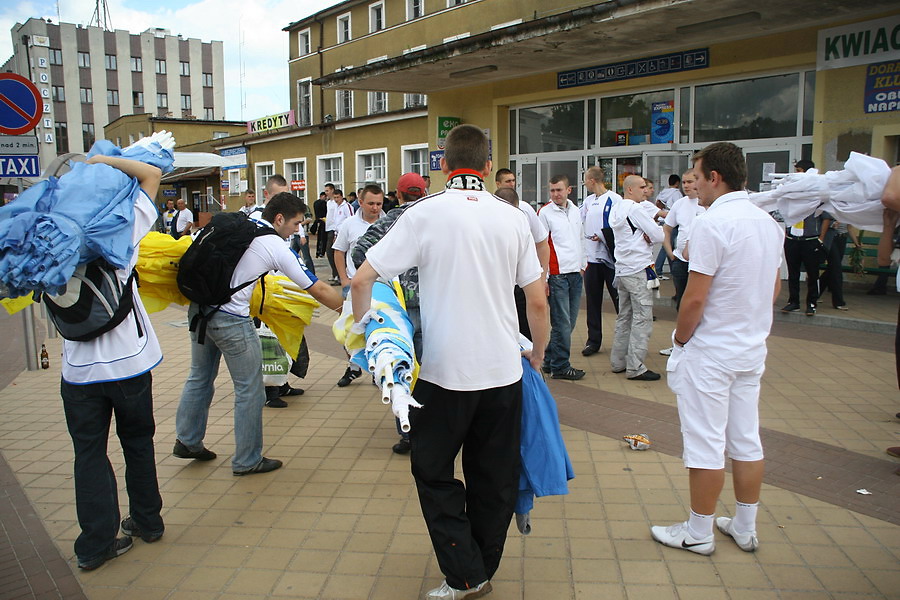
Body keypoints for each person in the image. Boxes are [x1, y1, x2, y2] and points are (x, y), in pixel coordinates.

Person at [350, 124, 549, 599]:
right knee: (494, 477)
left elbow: (361, 281)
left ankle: (465, 572)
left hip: (441, 374)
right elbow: (537, 302)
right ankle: (480, 566)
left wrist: (368, 339)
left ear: (442, 165)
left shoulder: (424, 213)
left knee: (433, 471)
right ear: (486, 167)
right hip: (503, 371)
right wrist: (538, 356)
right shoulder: (513, 218)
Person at [650, 142, 783, 555]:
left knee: (705, 442)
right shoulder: (767, 223)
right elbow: (774, 289)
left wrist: (680, 341)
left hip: (711, 351)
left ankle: (699, 531)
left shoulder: (713, 223)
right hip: (749, 348)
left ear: (715, 178)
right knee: (746, 438)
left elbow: (693, 298)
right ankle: (744, 526)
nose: (693, 187)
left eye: (697, 176)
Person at [174, 193, 344, 475]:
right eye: (296, 223)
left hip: (200, 311)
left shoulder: (244, 222)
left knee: (199, 377)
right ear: (279, 219)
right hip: (232, 321)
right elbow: (317, 288)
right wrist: (350, 312)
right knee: (250, 389)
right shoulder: (273, 244)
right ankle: (247, 459)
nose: (297, 229)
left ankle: (188, 440)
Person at [61, 155, 165, 570]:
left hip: (77, 371)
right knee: (137, 444)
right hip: (129, 365)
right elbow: (151, 174)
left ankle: (95, 544)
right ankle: (147, 521)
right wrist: (97, 160)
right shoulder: (121, 228)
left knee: (88, 454)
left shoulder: (50, 240)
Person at [351, 173, 427, 454]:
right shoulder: (433, 216)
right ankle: (435, 429)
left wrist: (384, 277)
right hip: (433, 305)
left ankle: (407, 433)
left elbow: (360, 252)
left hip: (399, 307)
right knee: (431, 369)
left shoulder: (391, 219)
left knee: (401, 367)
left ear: (398, 193)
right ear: (425, 191)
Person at [246, 175, 308, 405]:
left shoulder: (288, 221)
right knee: (268, 338)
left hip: (283, 287)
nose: (284, 199)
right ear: (267, 196)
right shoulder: (256, 220)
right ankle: (269, 390)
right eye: (278, 195)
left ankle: (282, 383)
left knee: (285, 336)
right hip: (265, 291)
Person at [609, 175, 664, 381]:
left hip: (622, 270)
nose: (646, 190)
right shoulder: (636, 209)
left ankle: (618, 361)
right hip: (639, 269)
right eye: (642, 187)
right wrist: (648, 234)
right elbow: (658, 235)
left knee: (624, 317)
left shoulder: (617, 209)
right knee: (642, 318)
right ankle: (636, 366)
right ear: (630, 189)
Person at [333, 184, 385, 388]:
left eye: (379, 204)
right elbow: (339, 251)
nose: (375, 208)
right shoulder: (349, 224)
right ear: (360, 202)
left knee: (377, 328)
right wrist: (344, 279)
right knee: (350, 329)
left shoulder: (390, 221)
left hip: (381, 287)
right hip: (355, 286)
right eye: (371, 203)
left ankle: (375, 368)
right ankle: (353, 367)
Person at [538, 174, 587, 380]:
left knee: (570, 322)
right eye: (552, 190)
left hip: (575, 273)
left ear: (569, 190)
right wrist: (545, 278)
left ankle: (550, 359)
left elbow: (581, 238)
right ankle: (560, 366)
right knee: (562, 323)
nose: (555, 194)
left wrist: (583, 264)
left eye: (559, 190)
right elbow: (540, 246)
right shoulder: (544, 213)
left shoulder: (576, 211)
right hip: (557, 276)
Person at [495, 169, 550, 340]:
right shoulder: (488, 213)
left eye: (513, 180)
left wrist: (542, 279)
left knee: (525, 334)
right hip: (496, 288)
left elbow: (542, 243)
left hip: (522, 285)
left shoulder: (525, 210)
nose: (512, 184)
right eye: (507, 181)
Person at [658, 170, 705, 356]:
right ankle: (680, 343)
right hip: (680, 261)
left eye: (690, 182)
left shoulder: (706, 204)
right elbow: (667, 229)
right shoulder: (679, 204)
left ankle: (698, 344)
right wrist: (670, 253)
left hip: (701, 263)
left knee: (700, 303)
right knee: (682, 302)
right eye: (683, 182)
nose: (686, 185)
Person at [581, 166, 620, 356]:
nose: (584, 183)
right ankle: (593, 341)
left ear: (592, 180)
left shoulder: (614, 199)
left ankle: (623, 339)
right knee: (593, 301)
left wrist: (603, 236)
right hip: (592, 260)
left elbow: (619, 224)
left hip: (610, 260)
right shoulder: (588, 201)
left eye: (585, 179)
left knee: (619, 300)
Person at [781, 159, 822, 316]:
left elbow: (824, 215)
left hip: (809, 239)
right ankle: (793, 301)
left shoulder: (815, 192)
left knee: (812, 273)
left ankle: (811, 303)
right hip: (792, 239)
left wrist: (821, 238)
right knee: (793, 272)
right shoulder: (791, 191)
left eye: (798, 171)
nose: (796, 174)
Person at [817, 211, 860, 310]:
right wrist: (832, 224)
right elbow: (822, 221)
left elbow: (849, 228)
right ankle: (838, 302)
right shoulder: (832, 208)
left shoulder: (848, 210)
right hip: (832, 239)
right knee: (836, 269)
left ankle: (815, 293)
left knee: (832, 269)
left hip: (842, 239)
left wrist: (856, 243)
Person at [654, 174, 682, 277]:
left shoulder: (662, 193)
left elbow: (657, 205)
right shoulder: (677, 193)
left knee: (670, 246)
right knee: (667, 247)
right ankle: (658, 270)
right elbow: (679, 207)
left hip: (662, 220)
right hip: (672, 222)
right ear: (677, 183)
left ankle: (673, 269)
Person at [325, 187, 353, 284]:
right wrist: (335, 235)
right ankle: (338, 274)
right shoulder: (336, 207)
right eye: (335, 197)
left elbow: (351, 219)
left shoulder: (346, 206)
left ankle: (344, 276)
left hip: (345, 234)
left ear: (342, 197)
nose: (336, 199)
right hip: (337, 233)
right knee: (332, 253)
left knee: (343, 256)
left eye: (338, 197)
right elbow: (336, 222)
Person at [313, 191, 328, 258]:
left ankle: (317, 252)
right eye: (325, 197)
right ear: (323, 196)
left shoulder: (315, 203)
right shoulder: (324, 203)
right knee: (323, 238)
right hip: (323, 221)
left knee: (319, 238)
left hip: (317, 221)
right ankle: (322, 252)